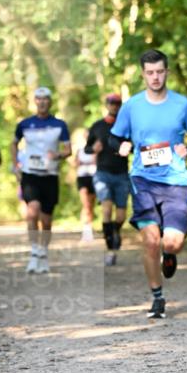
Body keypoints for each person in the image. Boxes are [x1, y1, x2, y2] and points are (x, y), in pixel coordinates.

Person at [109, 50, 187, 318]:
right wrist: (122, 146)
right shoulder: (131, 106)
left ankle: (170, 253)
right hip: (143, 179)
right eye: (150, 72)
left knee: (171, 243)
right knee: (151, 240)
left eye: (160, 71)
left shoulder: (181, 104)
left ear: (167, 72)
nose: (155, 77)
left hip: (175, 180)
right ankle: (157, 296)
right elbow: (114, 137)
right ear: (143, 75)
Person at [10, 86, 71, 274]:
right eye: (39, 98)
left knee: (46, 220)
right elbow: (13, 143)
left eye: (45, 99)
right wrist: (16, 165)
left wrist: (58, 155)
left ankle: (43, 252)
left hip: (50, 176)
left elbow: (68, 150)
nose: (42, 102)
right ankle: (34, 252)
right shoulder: (25, 124)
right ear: (34, 101)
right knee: (32, 211)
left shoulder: (60, 125)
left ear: (50, 102)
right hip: (30, 174)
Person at [85, 93, 131, 266]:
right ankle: (111, 249)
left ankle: (114, 232)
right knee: (106, 209)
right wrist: (93, 149)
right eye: (111, 103)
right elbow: (87, 148)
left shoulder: (127, 126)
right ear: (106, 104)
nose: (114, 105)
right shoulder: (97, 126)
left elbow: (135, 146)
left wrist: (129, 147)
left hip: (122, 174)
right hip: (103, 173)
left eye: (118, 103)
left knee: (120, 216)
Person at [74, 129, 97, 242]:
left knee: (91, 205)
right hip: (82, 177)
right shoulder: (80, 150)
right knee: (86, 204)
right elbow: (76, 163)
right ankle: (86, 229)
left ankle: (89, 228)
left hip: (93, 177)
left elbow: (96, 162)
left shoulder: (94, 149)